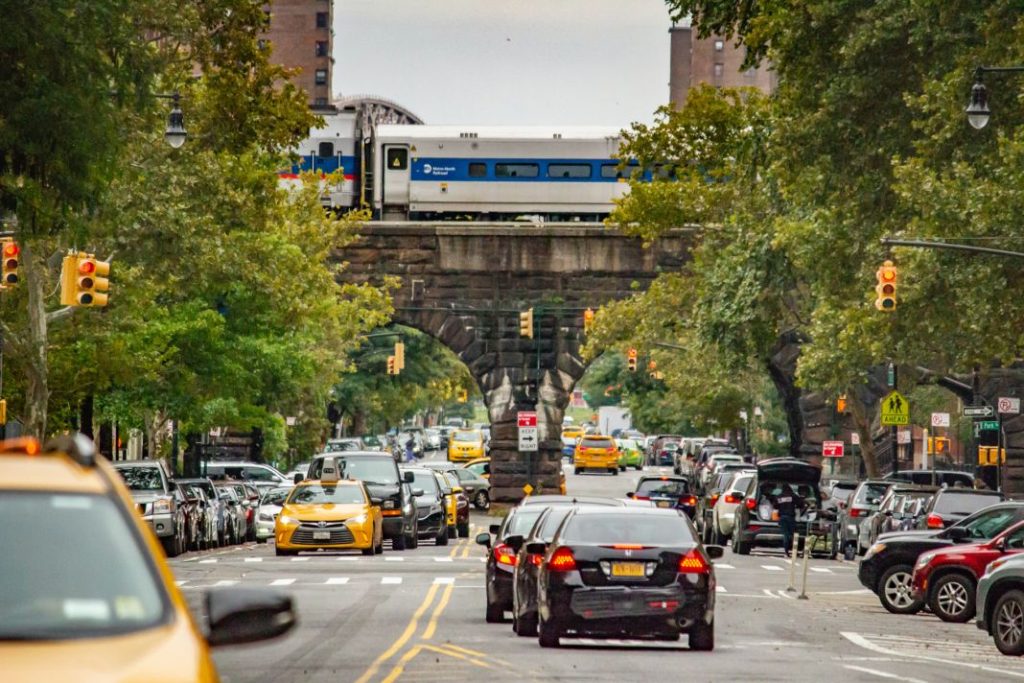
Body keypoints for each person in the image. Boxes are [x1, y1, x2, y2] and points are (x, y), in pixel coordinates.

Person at [771, 484, 807, 557]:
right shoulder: (793, 496)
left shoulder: (779, 497)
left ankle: (786, 551)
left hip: (782, 517)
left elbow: (775, 506)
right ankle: (794, 550)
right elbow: (801, 504)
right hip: (790, 517)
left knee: (785, 535)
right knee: (794, 534)